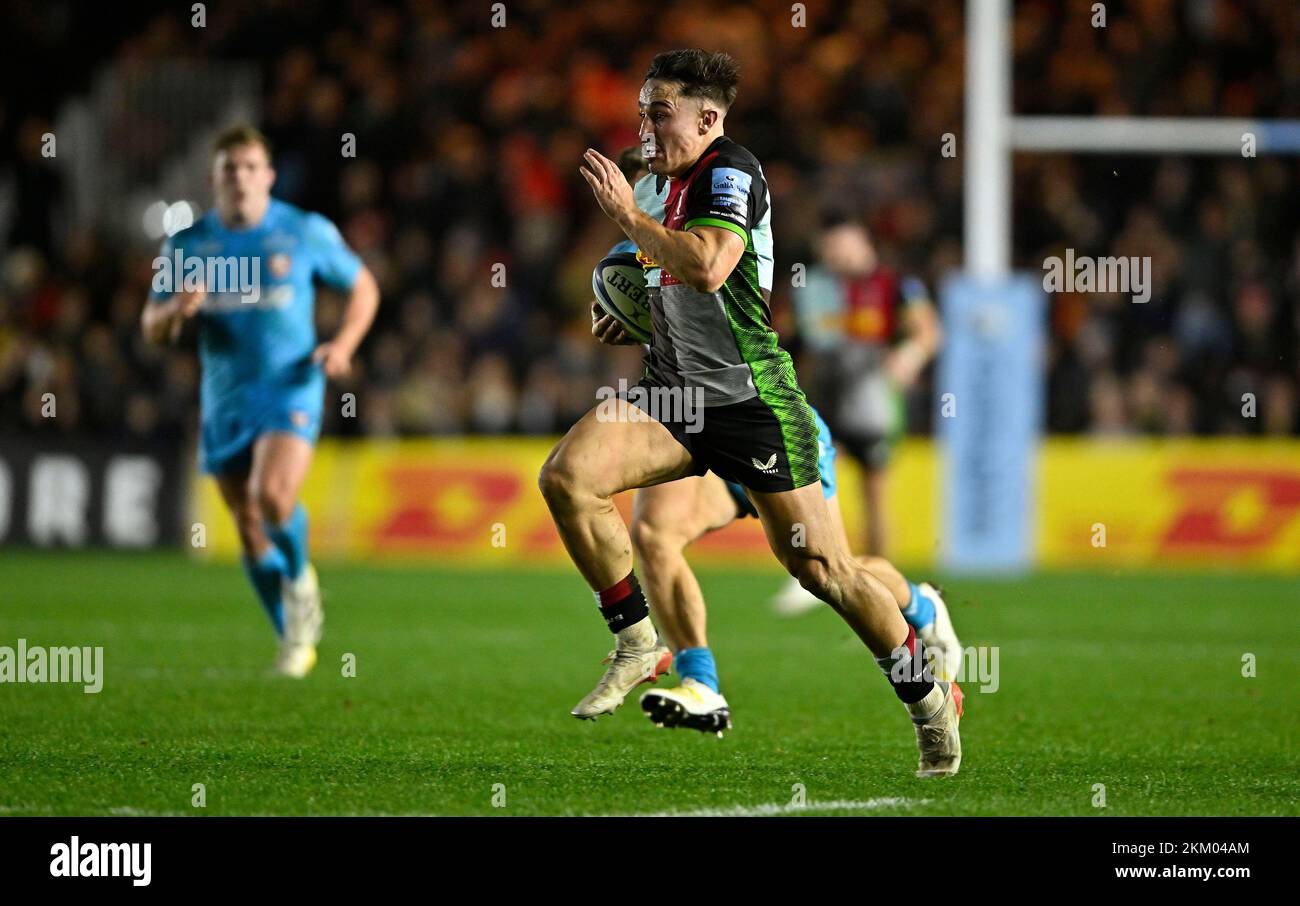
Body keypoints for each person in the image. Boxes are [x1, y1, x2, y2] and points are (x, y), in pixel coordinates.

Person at [540, 50, 961, 776]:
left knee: (823, 571)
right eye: (641, 110)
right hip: (672, 397)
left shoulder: (729, 171)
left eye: (659, 111)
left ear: (708, 118)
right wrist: (619, 306)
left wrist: (626, 217)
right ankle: (641, 641)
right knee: (568, 478)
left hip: (751, 403)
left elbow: (706, 267)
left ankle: (927, 701)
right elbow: (651, 274)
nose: (645, 124)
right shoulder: (650, 180)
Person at [142, 125, 380, 677]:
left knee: (271, 496)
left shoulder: (302, 231)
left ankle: (300, 581)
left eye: (251, 168)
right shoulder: (187, 245)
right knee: (247, 526)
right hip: (224, 398)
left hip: (291, 385)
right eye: (231, 169)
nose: (241, 179)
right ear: (213, 178)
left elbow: (364, 286)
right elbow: (150, 326)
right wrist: (176, 310)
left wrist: (342, 345)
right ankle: (293, 638)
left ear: (269, 176)